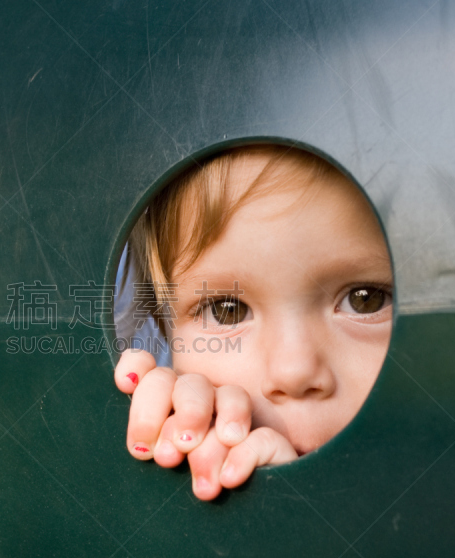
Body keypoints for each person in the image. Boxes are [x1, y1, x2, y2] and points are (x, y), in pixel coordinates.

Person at [113, 144, 393, 501]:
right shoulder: (187, 432)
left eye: (364, 299)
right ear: (166, 330)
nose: (294, 373)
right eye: (227, 310)